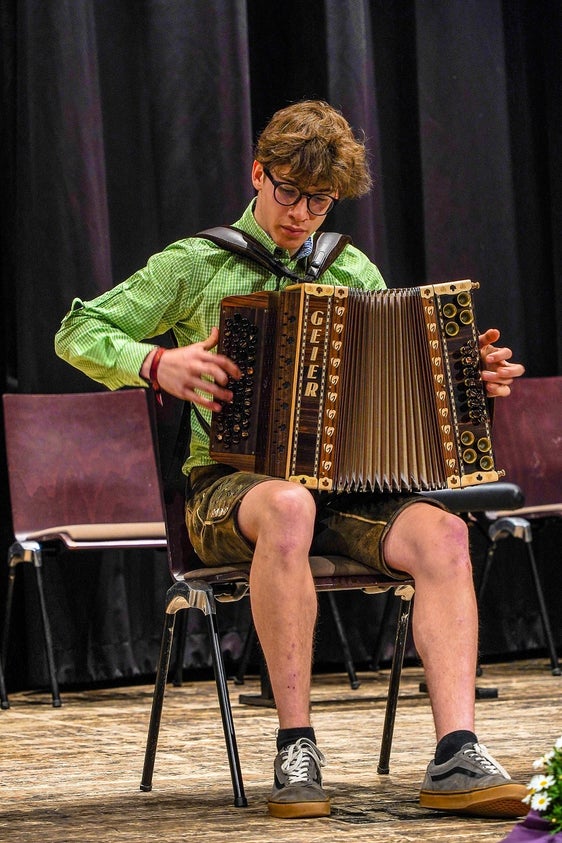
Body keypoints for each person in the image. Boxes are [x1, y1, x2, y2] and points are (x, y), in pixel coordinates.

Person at [55, 100, 527, 821]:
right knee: (286, 502)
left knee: (444, 533)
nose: (302, 212)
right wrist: (155, 362)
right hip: (228, 491)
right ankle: (295, 743)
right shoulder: (196, 263)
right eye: (289, 192)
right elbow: (77, 329)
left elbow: (405, 383)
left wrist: (468, 383)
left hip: (346, 492)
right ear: (258, 173)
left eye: (320, 198)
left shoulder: (351, 268)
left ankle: (457, 750)